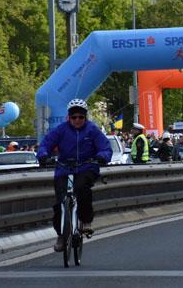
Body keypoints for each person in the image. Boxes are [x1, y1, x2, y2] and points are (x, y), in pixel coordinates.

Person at [36, 99, 112, 252]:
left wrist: (102, 156)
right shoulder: (60, 130)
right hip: (64, 169)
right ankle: (61, 235)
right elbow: (45, 144)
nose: (77, 120)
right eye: (74, 117)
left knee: (82, 188)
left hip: (86, 167)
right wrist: (43, 155)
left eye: (81, 117)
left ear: (86, 117)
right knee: (59, 204)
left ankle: (86, 222)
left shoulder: (92, 130)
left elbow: (105, 147)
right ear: (69, 117)